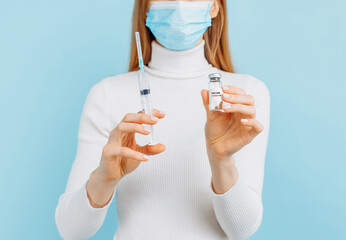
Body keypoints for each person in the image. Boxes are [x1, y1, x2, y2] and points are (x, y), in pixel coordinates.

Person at [55, 0, 270, 239]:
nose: (178, 4)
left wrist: (222, 160)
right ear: (145, 6)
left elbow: (242, 229)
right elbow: (71, 231)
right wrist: (103, 179)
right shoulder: (106, 95)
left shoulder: (243, 96)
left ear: (215, 7)